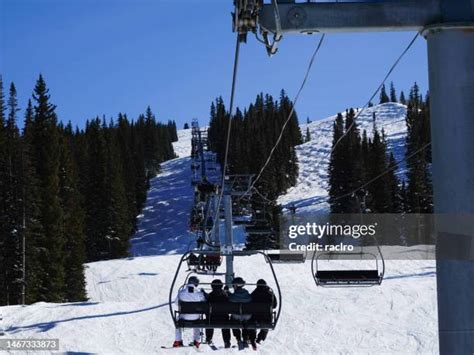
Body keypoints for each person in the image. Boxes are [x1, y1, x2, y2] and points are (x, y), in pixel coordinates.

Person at [173, 276, 206, 348]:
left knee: (177, 321)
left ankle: (178, 340)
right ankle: (196, 341)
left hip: (184, 316)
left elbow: (176, 303)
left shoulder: (181, 292)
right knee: (197, 321)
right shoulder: (199, 293)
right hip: (195, 316)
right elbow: (204, 302)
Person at [229, 277, 257, 349]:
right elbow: (251, 299)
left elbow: (229, 299)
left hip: (236, 316)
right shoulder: (247, 295)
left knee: (233, 320)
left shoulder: (233, 296)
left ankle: (238, 338)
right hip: (247, 316)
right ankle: (245, 338)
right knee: (246, 322)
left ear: (235, 286)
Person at [205, 279, 231, 348]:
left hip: (212, 319)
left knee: (208, 319)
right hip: (224, 319)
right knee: (226, 323)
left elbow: (206, 309)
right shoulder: (225, 296)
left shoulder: (210, 296)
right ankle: (227, 340)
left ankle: (209, 338)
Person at [251, 279, 277, 344]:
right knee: (267, 322)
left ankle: (252, 336)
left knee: (251, 318)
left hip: (255, 317)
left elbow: (249, 304)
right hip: (267, 318)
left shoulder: (254, 293)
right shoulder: (270, 294)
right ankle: (260, 337)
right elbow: (274, 305)